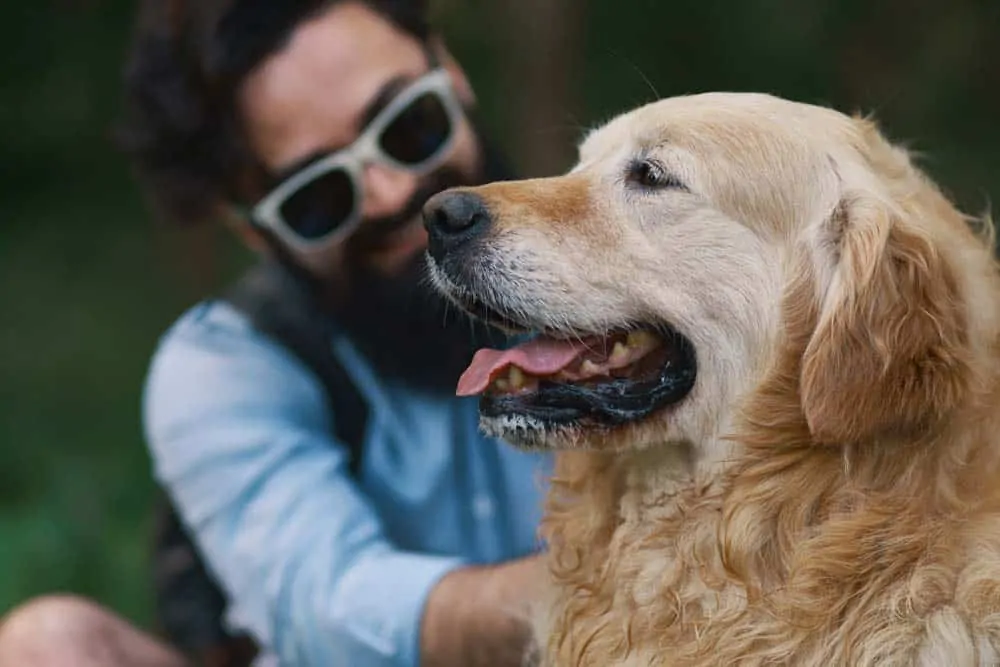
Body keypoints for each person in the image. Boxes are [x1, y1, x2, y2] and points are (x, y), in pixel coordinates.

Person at [0, 1, 551, 666]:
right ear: (254, 231)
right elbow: (330, 614)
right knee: (48, 644)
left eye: (410, 125)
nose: (391, 192)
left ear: (453, 74)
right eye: (320, 195)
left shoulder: (635, 255)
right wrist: (618, 587)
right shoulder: (225, 367)